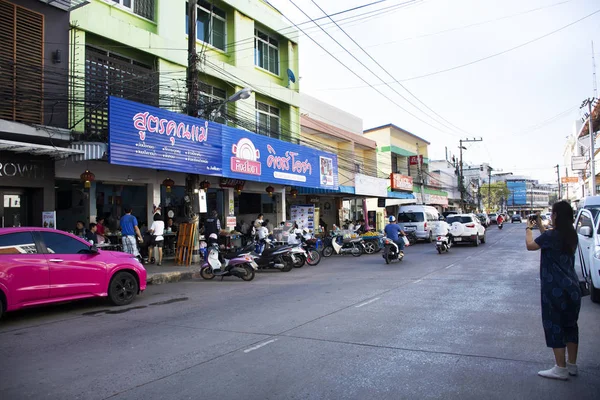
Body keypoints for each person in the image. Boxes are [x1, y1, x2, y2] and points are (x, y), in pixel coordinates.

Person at [526, 202, 581, 380]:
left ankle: (560, 368)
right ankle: (572, 365)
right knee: (570, 325)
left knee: (555, 324)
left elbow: (531, 245)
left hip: (554, 288)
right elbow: (550, 242)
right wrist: (541, 226)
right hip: (572, 287)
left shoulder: (552, 236)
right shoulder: (571, 235)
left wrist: (529, 228)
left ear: (556, 215)